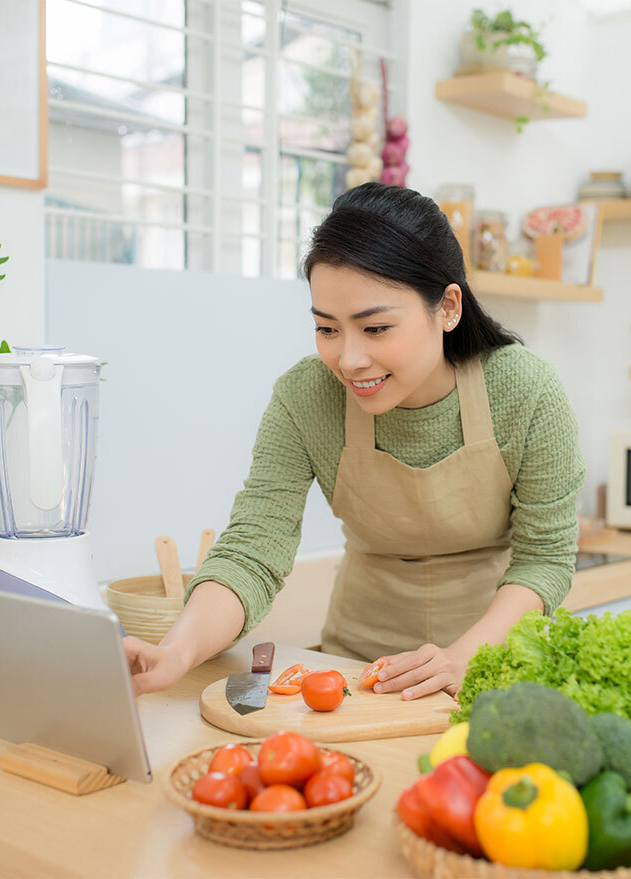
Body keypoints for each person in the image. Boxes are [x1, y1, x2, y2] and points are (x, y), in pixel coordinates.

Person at [125, 182, 584, 701]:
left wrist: (462, 658)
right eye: (327, 329)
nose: (349, 360)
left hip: (496, 668)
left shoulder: (526, 391)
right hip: (354, 672)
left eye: (377, 328)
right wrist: (176, 652)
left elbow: (545, 558)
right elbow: (254, 549)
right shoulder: (306, 396)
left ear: (448, 307)